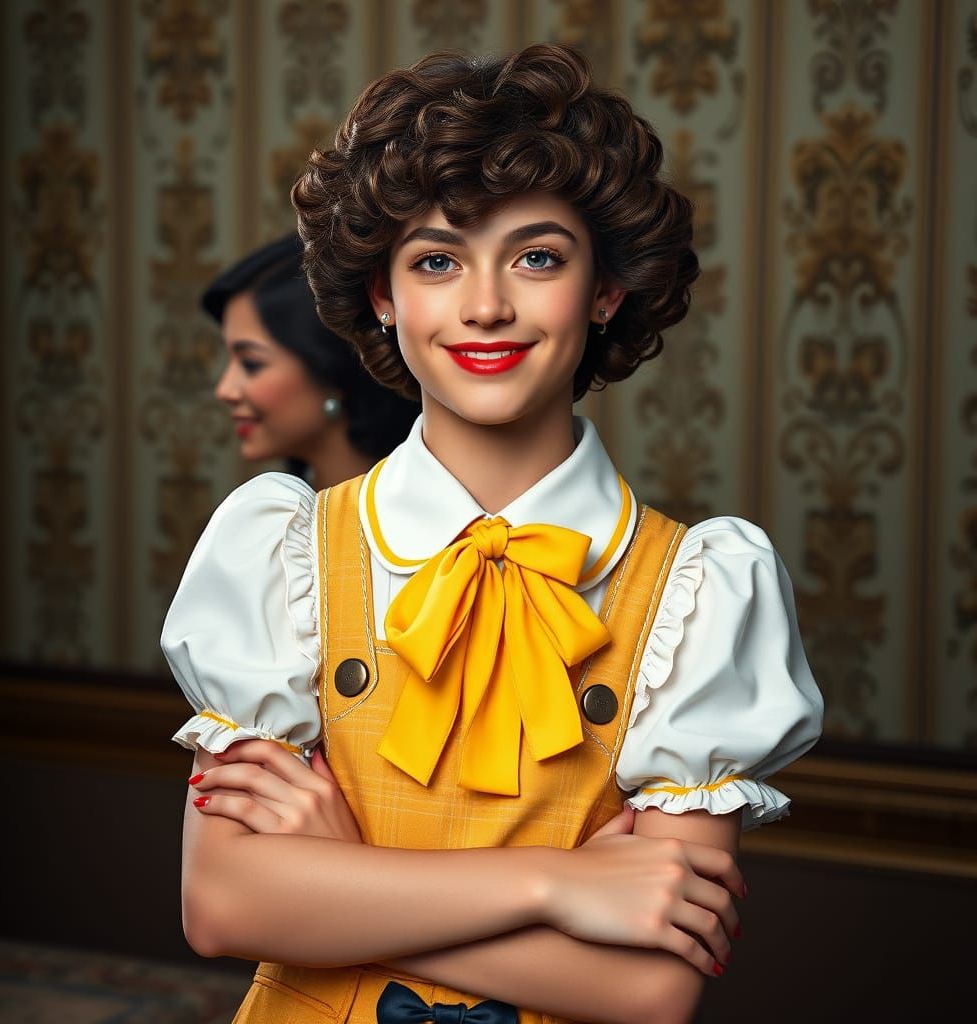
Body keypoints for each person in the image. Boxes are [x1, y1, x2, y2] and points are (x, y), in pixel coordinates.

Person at [162, 44, 823, 1024]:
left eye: (537, 257)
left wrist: (338, 882)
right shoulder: (277, 554)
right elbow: (222, 905)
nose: (485, 305)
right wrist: (554, 885)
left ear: (604, 292)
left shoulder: (702, 587)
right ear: (382, 297)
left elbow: (651, 988)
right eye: (436, 260)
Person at [205, 233, 419, 486]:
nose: (224, 390)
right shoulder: (275, 517)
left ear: (333, 366)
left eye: (251, 364)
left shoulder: (414, 520)